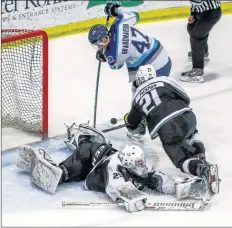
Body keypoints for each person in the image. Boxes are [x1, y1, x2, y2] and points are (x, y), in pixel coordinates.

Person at [16, 123, 208, 213]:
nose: (142, 165)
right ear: (128, 163)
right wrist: (129, 198)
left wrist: (177, 187)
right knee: (61, 174)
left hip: (100, 152)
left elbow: (155, 176)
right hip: (88, 158)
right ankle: (46, 160)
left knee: (150, 178)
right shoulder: (114, 166)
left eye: (141, 163)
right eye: (138, 164)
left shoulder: (136, 161)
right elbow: (115, 188)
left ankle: (78, 141)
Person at [123, 64, 220, 195]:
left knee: (181, 160)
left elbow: (132, 124)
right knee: (192, 134)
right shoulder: (163, 80)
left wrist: (135, 118)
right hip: (186, 115)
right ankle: (200, 159)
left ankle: (202, 169)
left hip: (167, 128)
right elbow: (185, 97)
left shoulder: (137, 97)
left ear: (139, 80)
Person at [88, 3, 172, 94]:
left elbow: (116, 66)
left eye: (100, 42)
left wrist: (104, 54)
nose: (99, 45)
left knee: (143, 97)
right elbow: (135, 15)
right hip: (161, 53)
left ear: (105, 36)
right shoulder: (119, 23)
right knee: (138, 93)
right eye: (96, 44)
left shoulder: (113, 54)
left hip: (154, 69)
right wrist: (116, 10)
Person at [181, 0, 222, 83]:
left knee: (196, 36)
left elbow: (198, 2)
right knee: (191, 28)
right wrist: (193, 14)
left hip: (210, 13)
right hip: (200, 12)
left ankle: (197, 71)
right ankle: (203, 53)